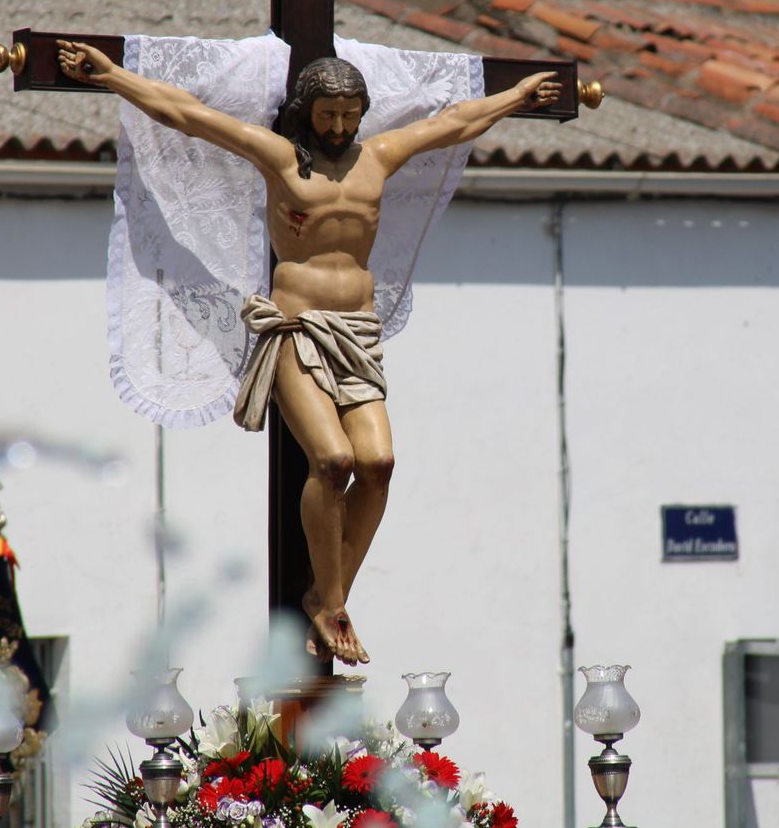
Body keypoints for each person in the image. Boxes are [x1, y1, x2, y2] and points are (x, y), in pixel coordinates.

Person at [57, 39, 560, 665]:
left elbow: (454, 123)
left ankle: (327, 595)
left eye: (349, 114)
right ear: (306, 110)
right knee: (332, 459)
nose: (339, 126)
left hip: (358, 332)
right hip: (296, 330)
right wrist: (114, 76)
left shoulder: (378, 157)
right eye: (328, 114)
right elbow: (186, 113)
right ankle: (333, 604)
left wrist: (515, 97)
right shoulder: (279, 159)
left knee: (378, 463)